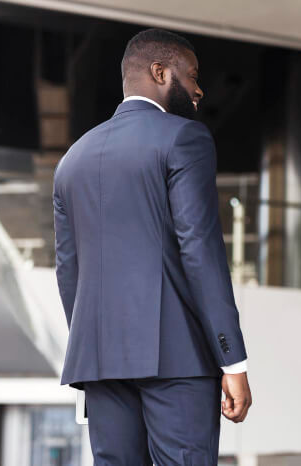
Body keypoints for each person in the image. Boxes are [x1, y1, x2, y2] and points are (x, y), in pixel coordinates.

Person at [53, 28, 251, 464]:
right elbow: (199, 251)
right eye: (193, 75)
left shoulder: (72, 159)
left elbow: (68, 271)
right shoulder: (184, 138)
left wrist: (96, 349)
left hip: (99, 364)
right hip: (177, 360)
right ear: (160, 72)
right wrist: (232, 361)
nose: (199, 90)